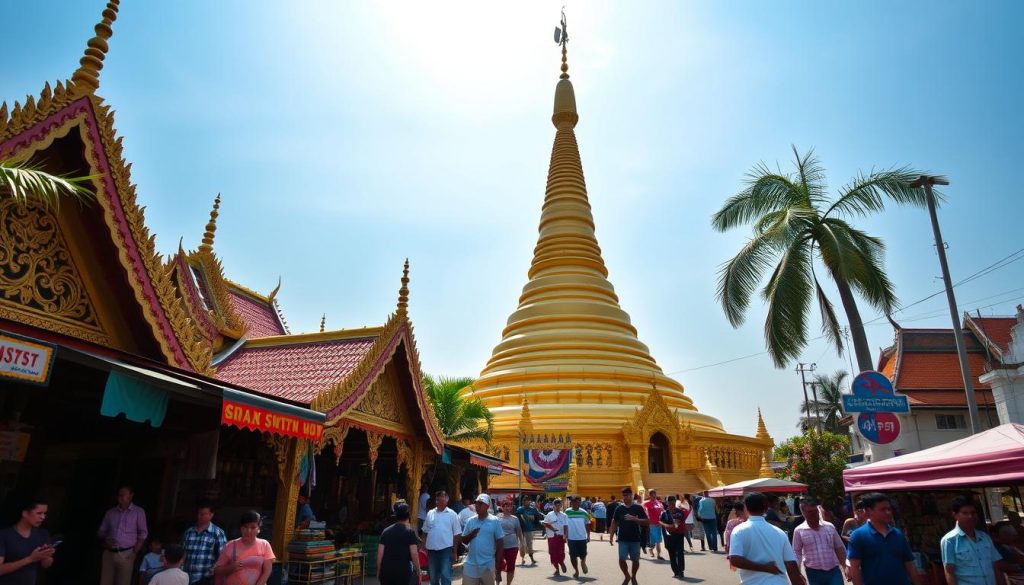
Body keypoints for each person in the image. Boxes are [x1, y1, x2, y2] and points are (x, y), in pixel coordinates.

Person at [727, 491, 804, 585]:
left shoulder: (739, 531)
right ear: (766, 509)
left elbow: (735, 560)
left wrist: (765, 568)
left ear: (745, 508)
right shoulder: (779, 532)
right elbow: (791, 564)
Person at [846, 492, 919, 585]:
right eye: (883, 510)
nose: (888, 512)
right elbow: (855, 568)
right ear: (868, 511)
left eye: (889, 509)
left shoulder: (898, 534)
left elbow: (910, 564)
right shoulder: (858, 536)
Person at [940, 496, 1006, 585]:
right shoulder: (949, 540)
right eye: (965, 513)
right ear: (955, 515)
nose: (970, 516)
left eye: (973, 513)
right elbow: (949, 571)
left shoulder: (985, 537)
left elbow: (996, 566)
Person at [98, 485, 148, 585]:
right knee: (105, 582)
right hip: (109, 553)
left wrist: (134, 553)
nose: (120, 496)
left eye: (123, 494)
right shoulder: (110, 512)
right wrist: (105, 539)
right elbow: (101, 531)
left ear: (131, 496)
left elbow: (143, 533)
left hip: (127, 554)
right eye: (119, 495)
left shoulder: (138, 512)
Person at [0, 496, 55, 585]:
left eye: (45, 513)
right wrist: (30, 559)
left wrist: (47, 555)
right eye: (39, 513)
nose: (43, 517)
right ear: (25, 513)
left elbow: (46, 565)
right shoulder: (4, 535)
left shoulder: (43, 534)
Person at [792, 498, 847, 585]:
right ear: (803, 513)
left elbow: (839, 547)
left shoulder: (829, 527)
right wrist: (798, 573)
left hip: (833, 571)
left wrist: (845, 566)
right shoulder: (799, 531)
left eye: (815, 511)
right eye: (809, 512)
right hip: (813, 573)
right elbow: (796, 552)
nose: (814, 514)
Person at [212, 510, 275, 585]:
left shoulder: (264, 544)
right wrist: (230, 568)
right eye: (245, 527)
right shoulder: (230, 545)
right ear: (241, 528)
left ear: (258, 529)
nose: (248, 531)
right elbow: (217, 570)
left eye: (253, 527)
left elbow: (267, 570)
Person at [609, 486, 650, 585]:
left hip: (635, 538)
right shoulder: (619, 508)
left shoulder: (638, 507)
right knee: (622, 559)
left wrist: (635, 519)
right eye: (623, 496)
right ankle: (627, 575)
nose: (625, 497)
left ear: (631, 495)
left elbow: (647, 522)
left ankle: (633, 576)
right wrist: (611, 536)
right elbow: (614, 522)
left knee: (635, 560)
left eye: (627, 495)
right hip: (622, 538)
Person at [461, 494, 504, 585]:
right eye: (476, 503)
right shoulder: (470, 521)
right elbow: (464, 540)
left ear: (487, 506)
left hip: (488, 565)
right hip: (471, 565)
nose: (477, 506)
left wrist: (497, 565)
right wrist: (471, 534)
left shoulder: (495, 521)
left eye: (480, 504)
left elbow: (500, 544)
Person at [182, 501, 227, 585]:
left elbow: (222, 558)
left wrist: (210, 574)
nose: (199, 516)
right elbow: (182, 554)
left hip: (206, 580)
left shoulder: (218, 534)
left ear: (211, 515)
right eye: (198, 513)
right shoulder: (189, 532)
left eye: (203, 514)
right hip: (186, 578)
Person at [423, 490, 462, 585]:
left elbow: (457, 534)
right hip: (431, 550)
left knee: (446, 575)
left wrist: (454, 551)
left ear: (446, 500)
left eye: (442, 500)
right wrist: (423, 546)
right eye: (437, 500)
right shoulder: (430, 513)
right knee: (433, 576)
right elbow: (425, 531)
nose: (439, 502)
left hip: (446, 549)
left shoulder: (452, 514)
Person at [377, 503, 421, 585]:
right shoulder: (410, 532)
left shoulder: (385, 531)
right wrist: (418, 571)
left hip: (386, 571)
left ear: (396, 516)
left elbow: (380, 554)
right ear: (408, 516)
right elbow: (414, 554)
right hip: (403, 571)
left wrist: (379, 570)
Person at [495, 499, 523, 585]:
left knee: (511, 566)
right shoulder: (497, 518)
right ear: (502, 507)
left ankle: (508, 584)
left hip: (512, 545)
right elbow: (493, 531)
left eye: (510, 506)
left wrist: (522, 544)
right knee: (497, 565)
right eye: (506, 506)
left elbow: (519, 531)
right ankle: (498, 579)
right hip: (499, 546)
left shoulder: (515, 519)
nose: (508, 508)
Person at [660, 495, 688, 579]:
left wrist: (673, 526)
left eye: (673, 501)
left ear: (675, 502)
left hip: (678, 535)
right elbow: (660, 522)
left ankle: (681, 571)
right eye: (669, 501)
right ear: (667, 502)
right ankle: (676, 572)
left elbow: (679, 522)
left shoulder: (679, 512)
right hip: (668, 536)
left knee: (680, 553)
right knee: (671, 554)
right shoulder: (664, 513)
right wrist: (667, 525)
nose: (671, 503)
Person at [565, 496, 591, 578]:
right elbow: (565, 524)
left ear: (580, 503)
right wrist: (565, 535)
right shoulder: (567, 512)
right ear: (571, 503)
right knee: (572, 556)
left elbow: (587, 525)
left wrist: (588, 536)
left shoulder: (584, 513)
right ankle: (576, 571)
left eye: (578, 502)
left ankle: (583, 562)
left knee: (583, 554)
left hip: (582, 537)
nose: (576, 504)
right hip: (571, 538)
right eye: (574, 502)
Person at [541, 498, 568, 576]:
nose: (558, 507)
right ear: (553, 506)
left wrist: (565, 535)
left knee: (560, 552)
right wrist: (552, 528)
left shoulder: (564, 515)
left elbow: (566, 526)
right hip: (551, 536)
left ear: (561, 506)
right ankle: (557, 569)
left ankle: (561, 562)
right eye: (556, 505)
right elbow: (544, 523)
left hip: (560, 537)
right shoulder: (549, 514)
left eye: (559, 505)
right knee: (552, 553)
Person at [514, 497, 542, 565]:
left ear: (529, 502)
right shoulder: (520, 509)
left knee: (530, 545)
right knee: (522, 545)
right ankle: (523, 559)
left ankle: (532, 558)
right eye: (525, 502)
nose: (527, 503)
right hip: (521, 530)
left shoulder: (533, 509)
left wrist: (535, 520)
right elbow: (516, 517)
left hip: (529, 530)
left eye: (528, 502)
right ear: (523, 502)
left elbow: (537, 516)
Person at [643, 489, 665, 559]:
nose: (654, 496)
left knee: (654, 540)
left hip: (659, 523)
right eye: (652, 494)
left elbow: (662, 512)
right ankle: (659, 555)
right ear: (649, 495)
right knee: (658, 539)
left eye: (654, 494)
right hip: (652, 524)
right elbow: (644, 511)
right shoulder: (646, 503)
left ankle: (651, 549)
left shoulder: (659, 503)